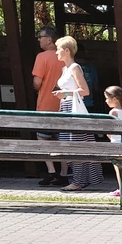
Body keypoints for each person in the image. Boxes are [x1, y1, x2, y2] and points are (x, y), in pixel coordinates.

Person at [53, 35, 103, 192]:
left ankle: (78, 181)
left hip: (74, 109)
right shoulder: (64, 69)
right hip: (66, 108)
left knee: (76, 145)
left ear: (66, 51)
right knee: (68, 145)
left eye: (58, 49)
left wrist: (66, 94)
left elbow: (85, 91)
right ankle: (78, 179)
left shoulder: (75, 68)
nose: (56, 53)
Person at [31, 25, 67, 186]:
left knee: (43, 139)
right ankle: (64, 173)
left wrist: (37, 88)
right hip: (64, 107)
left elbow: (37, 82)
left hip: (45, 105)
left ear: (50, 40)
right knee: (64, 140)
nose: (38, 39)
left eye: (41, 36)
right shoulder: (65, 57)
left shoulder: (42, 57)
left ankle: (51, 171)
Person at [74, 41, 98, 112]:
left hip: (77, 102)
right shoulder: (91, 67)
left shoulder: (72, 66)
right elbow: (95, 87)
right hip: (88, 102)